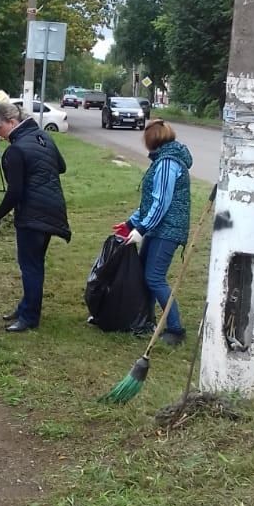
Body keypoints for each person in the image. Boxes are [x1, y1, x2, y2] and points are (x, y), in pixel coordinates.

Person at [0, 100, 71, 333]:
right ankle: (26, 307)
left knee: (30, 266)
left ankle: (29, 317)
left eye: (0, 130)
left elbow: (15, 192)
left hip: (33, 214)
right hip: (53, 209)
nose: (0, 136)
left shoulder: (16, 150)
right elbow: (60, 167)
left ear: (12, 122)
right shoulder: (44, 137)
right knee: (35, 264)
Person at [113, 119, 192, 346]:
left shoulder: (168, 163)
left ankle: (176, 329)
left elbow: (160, 204)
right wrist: (130, 223)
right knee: (144, 275)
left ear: (152, 140)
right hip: (158, 228)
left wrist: (142, 229)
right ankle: (144, 321)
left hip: (168, 229)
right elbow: (149, 202)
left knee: (154, 278)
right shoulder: (163, 160)